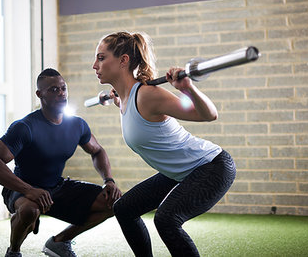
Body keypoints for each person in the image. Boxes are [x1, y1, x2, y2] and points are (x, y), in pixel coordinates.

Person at [92, 31, 236, 257]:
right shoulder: (126, 98)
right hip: (180, 172)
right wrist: (115, 97)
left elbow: (209, 115)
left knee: (167, 219)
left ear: (123, 61)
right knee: (124, 208)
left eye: (101, 58)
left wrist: (187, 88)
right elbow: (127, 105)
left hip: (211, 167)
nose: (94, 65)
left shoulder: (147, 95)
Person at [0, 68, 122, 257]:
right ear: (40, 94)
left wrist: (109, 180)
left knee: (113, 203)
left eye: (63, 88)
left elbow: (97, 150)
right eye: (54, 90)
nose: (61, 93)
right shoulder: (25, 127)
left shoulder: (77, 125)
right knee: (30, 211)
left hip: (56, 187)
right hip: (22, 188)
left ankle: (60, 242)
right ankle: (14, 251)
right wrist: (29, 190)